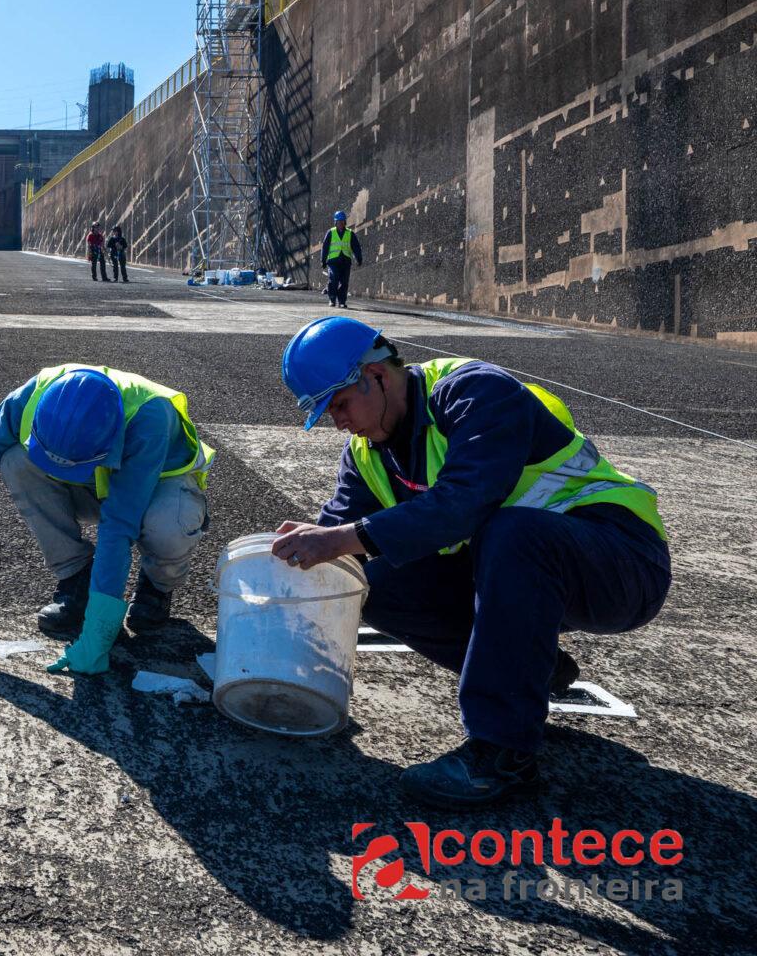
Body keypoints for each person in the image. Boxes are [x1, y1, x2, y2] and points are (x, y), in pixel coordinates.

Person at [274, 316, 670, 808]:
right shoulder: (366, 455)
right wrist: (277, 631)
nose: (337, 421)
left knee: (513, 530)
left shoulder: (473, 391)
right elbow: (334, 554)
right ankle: (531, 671)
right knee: (371, 583)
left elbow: (465, 502)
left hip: (620, 561)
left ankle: (502, 753)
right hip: (520, 572)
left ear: (375, 375)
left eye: (339, 404)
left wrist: (340, 538)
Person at [0, 364, 215, 674]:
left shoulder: (149, 419)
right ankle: (77, 577)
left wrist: (98, 634)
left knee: (169, 523)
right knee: (16, 460)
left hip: (157, 487)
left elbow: (118, 526)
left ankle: (157, 587)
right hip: (92, 480)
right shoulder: (31, 396)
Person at [320, 210, 362, 308]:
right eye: (339, 221)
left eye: (342, 221)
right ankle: (332, 299)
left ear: (345, 222)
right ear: (335, 222)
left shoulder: (350, 233)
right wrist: (323, 260)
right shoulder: (330, 232)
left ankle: (342, 301)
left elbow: (356, 247)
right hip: (333, 261)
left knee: (344, 282)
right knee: (333, 279)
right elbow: (325, 247)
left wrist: (358, 258)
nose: (341, 223)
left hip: (345, 261)